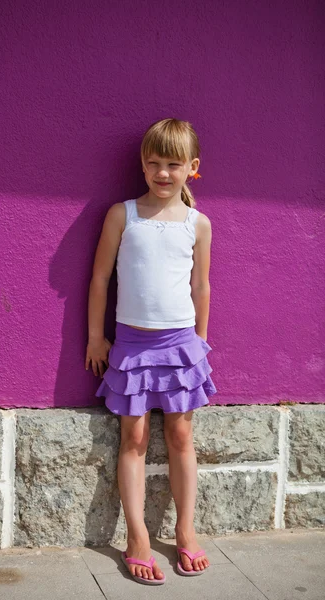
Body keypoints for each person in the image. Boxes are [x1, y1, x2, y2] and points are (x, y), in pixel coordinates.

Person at [85, 118, 217, 586]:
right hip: (132, 346)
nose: (163, 173)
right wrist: (96, 338)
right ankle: (137, 537)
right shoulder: (123, 215)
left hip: (181, 345)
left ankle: (185, 528)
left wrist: (199, 341)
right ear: (143, 165)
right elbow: (100, 278)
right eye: (154, 164)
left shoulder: (197, 224)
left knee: (181, 437)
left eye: (173, 165)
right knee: (134, 439)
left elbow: (200, 286)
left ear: (192, 168)